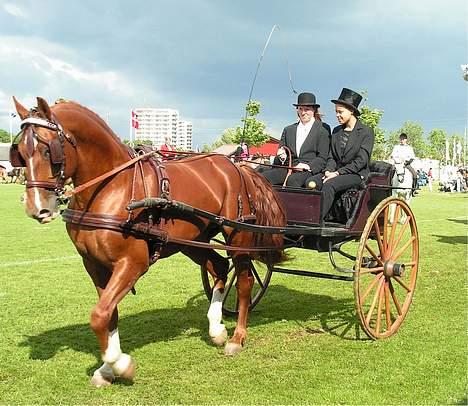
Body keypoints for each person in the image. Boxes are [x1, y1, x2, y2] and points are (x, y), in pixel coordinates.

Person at [304, 88, 374, 222]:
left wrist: (337, 173)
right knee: (311, 182)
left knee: (329, 185)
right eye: (336, 112)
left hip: (356, 174)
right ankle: (303, 216)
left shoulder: (366, 132)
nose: (337, 115)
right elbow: (331, 156)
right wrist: (328, 171)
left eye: (340, 112)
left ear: (351, 111)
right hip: (334, 173)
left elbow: (361, 161)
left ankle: (314, 221)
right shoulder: (336, 131)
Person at [261, 92, 330, 187]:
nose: (303, 112)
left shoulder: (323, 128)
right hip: (289, 168)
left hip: (308, 170)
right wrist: (282, 156)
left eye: (307, 109)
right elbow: (281, 151)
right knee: (262, 177)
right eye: (300, 109)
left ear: (314, 110)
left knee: (293, 180)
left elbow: (323, 157)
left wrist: (307, 166)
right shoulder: (288, 130)